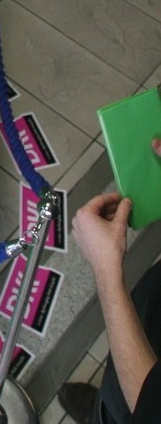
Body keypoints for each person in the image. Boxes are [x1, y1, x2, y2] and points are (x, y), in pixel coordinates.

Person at [58, 139, 161, 424]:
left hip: (141, 402)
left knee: (122, 410)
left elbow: (151, 407)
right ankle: (104, 406)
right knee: (115, 390)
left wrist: (106, 270)